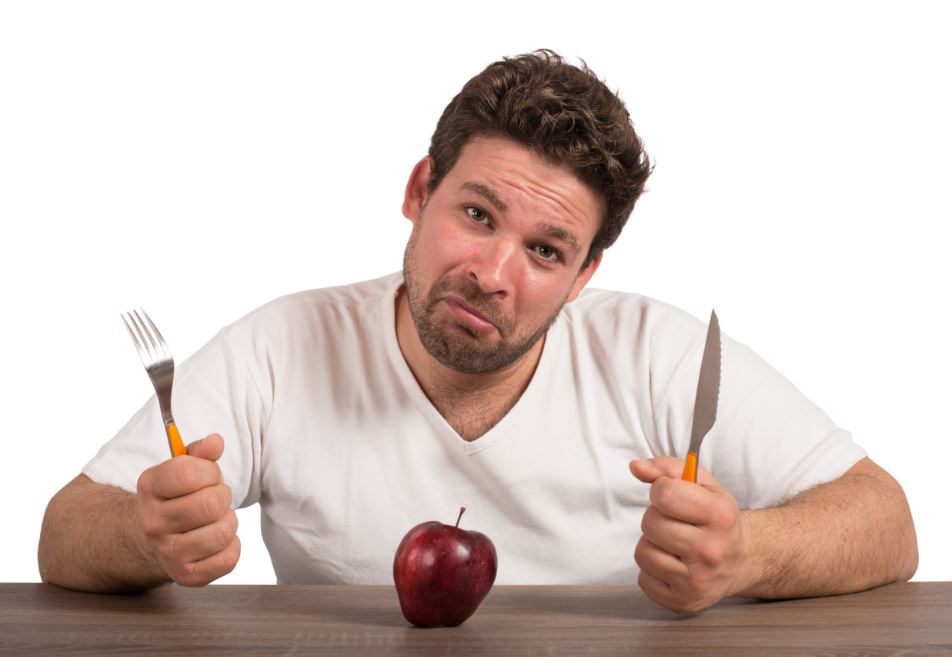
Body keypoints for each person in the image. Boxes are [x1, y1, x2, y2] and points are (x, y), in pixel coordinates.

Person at [38, 50, 917, 614]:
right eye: (477, 213)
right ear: (419, 190)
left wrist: (747, 552)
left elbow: (887, 520)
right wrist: (148, 533)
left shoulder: (659, 354)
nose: (494, 273)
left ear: (584, 277)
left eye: (545, 250)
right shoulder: (281, 347)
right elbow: (65, 530)